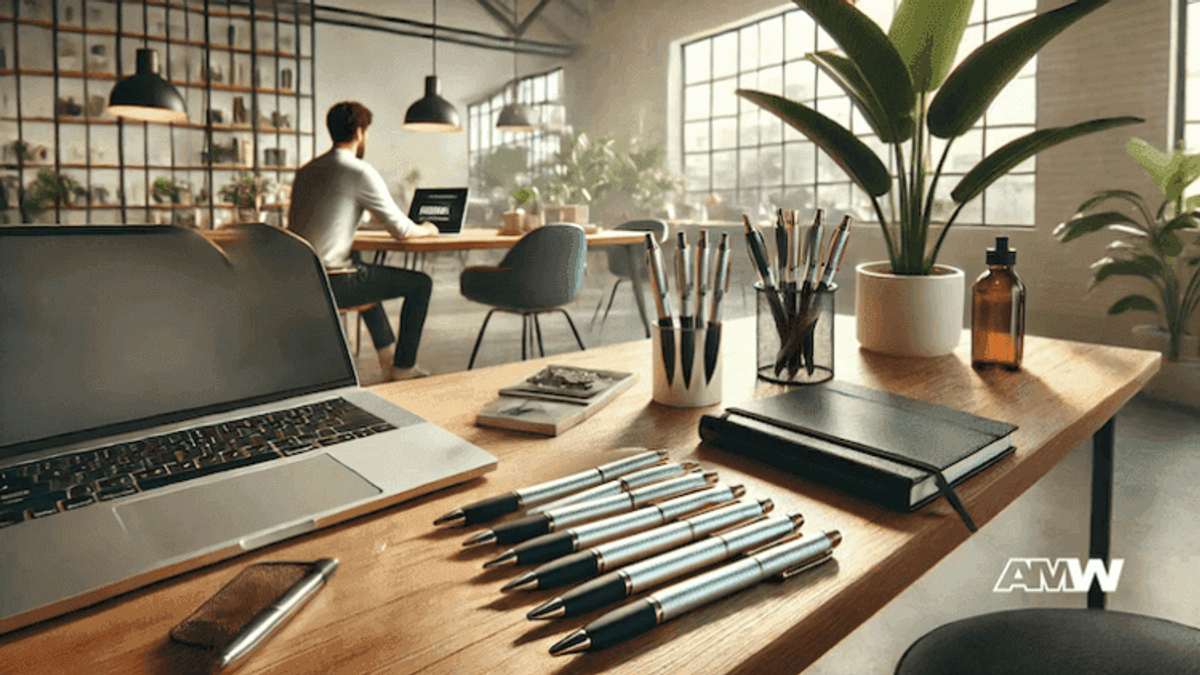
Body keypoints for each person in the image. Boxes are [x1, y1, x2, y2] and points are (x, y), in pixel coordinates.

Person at [289, 101, 439, 381]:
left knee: (361, 266)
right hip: (332, 283)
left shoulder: (307, 171)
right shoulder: (359, 171)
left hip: (298, 280)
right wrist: (428, 229)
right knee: (421, 284)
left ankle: (387, 358)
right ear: (360, 132)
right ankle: (404, 368)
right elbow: (402, 229)